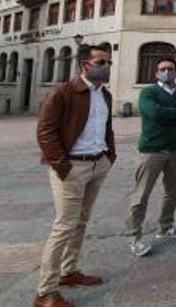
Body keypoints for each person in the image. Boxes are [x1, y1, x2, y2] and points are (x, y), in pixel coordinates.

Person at [33, 42, 115, 307]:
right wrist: (62, 165)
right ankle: (45, 292)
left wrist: (109, 156)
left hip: (97, 163)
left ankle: (68, 272)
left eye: (109, 62)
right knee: (64, 226)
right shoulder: (63, 92)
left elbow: (107, 128)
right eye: (101, 62)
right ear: (85, 65)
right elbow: (45, 132)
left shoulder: (105, 95)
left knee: (81, 221)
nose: (106, 67)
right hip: (72, 167)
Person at [125, 57, 176, 257]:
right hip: (152, 150)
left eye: (170, 69)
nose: (167, 72)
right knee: (141, 194)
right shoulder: (148, 92)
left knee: (172, 191)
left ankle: (166, 226)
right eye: (162, 69)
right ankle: (134, 236)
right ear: (156, 73)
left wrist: (169, 114)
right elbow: (153, 113)